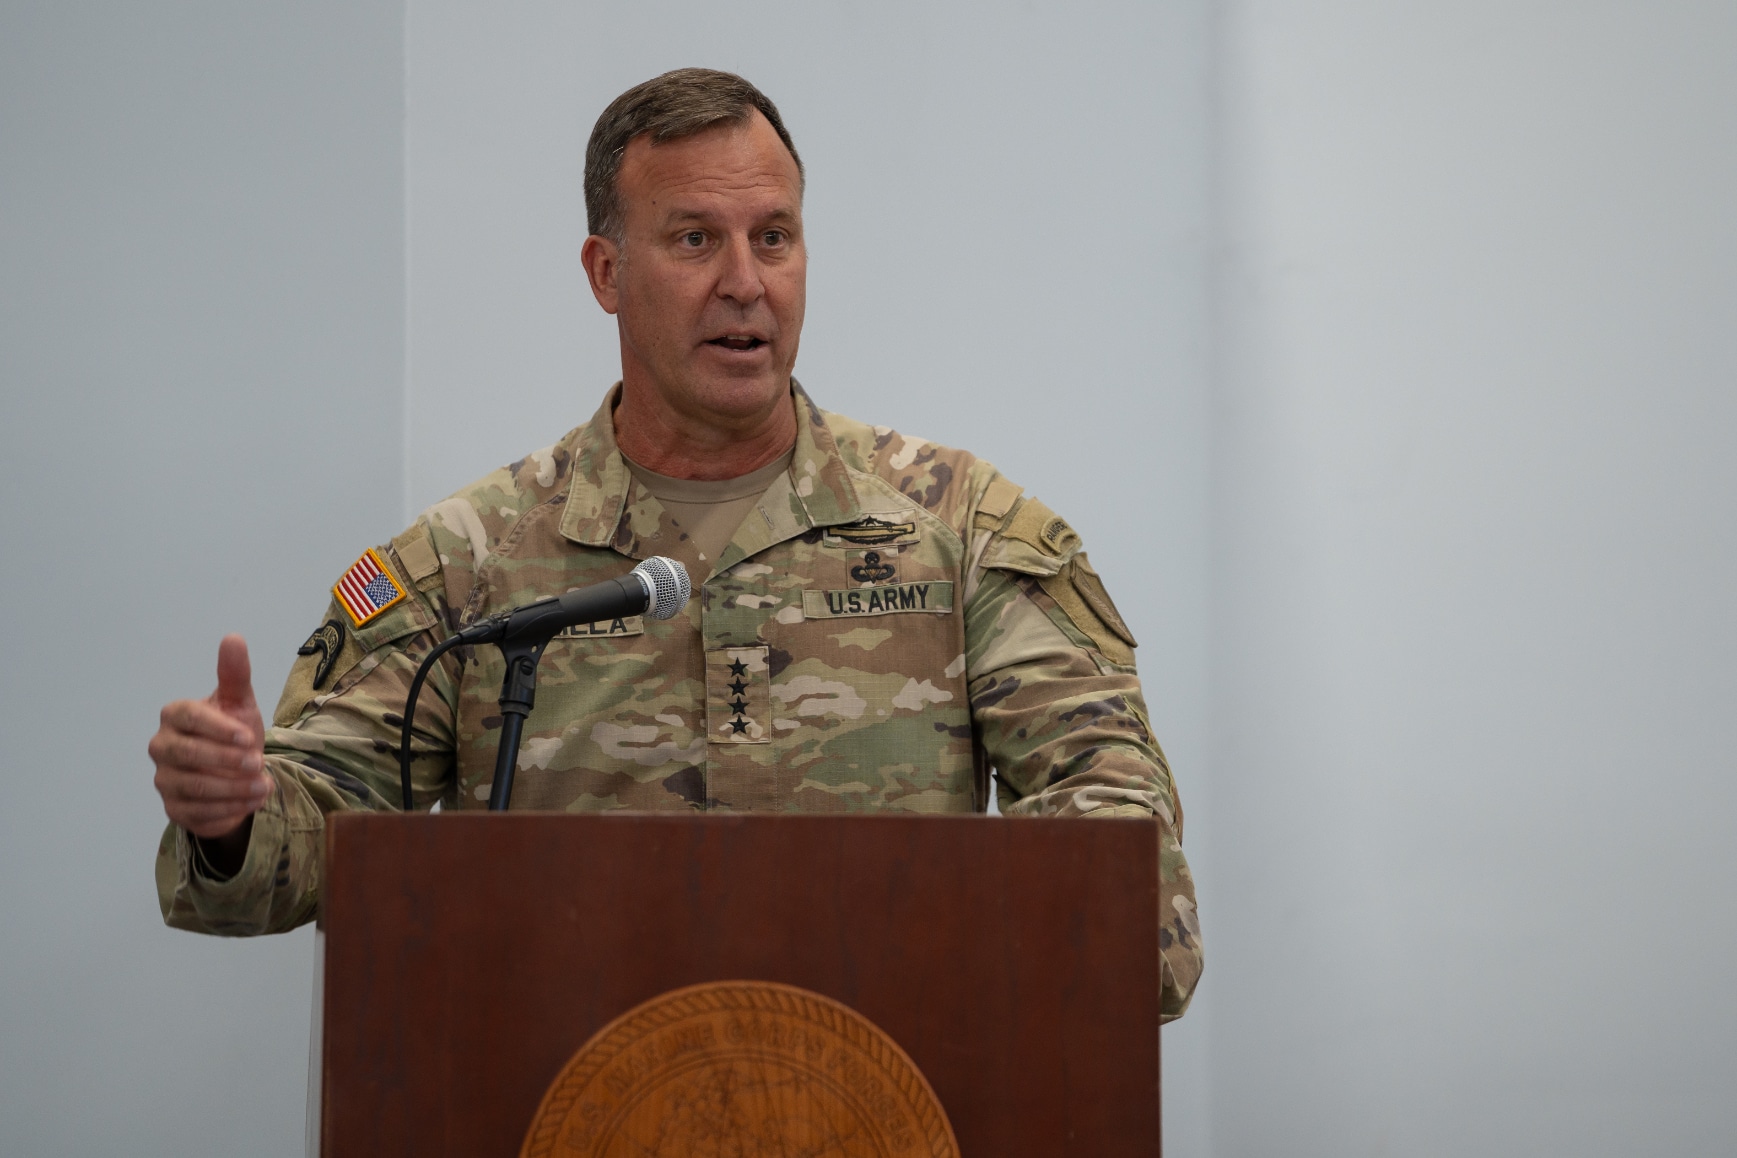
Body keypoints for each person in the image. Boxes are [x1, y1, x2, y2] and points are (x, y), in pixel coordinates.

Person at [148, 69, 1202, 1021]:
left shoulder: (962, 530)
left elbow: (1116, 842)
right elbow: (293, 849)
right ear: (607, 272)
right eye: (695, 240)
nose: (746, 281)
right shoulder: (470, 561)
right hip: (566, 1100)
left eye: (773, 238)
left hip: (892, 1094)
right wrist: (233, 815)